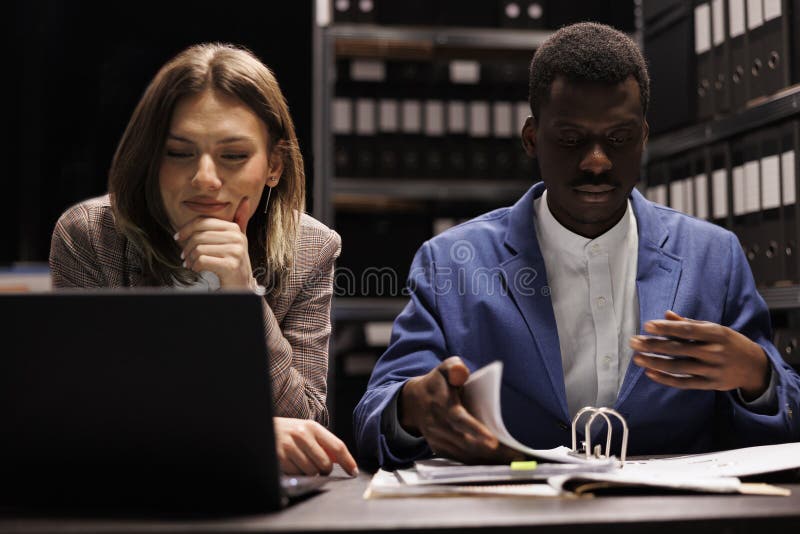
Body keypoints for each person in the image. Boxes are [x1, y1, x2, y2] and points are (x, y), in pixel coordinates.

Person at [354, 23, 800, 468]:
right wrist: (412, 407)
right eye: (571, 139)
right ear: (532, 138)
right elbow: (374, 419)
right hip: (517, 513)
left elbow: (785, 418)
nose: (596, 162)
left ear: (643, 137)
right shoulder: (449, 261)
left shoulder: (714, 257)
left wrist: (756, 376)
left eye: (619, 139)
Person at [49, 42, 357, 477]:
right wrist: (245, 434)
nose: (205, 179)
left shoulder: (311, 247)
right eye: (178, 153)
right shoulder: (89, 235)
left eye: (233, 156)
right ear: (151, 160)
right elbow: (79, 421)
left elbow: (306, 425)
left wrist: (244, 296)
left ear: (274, 166)